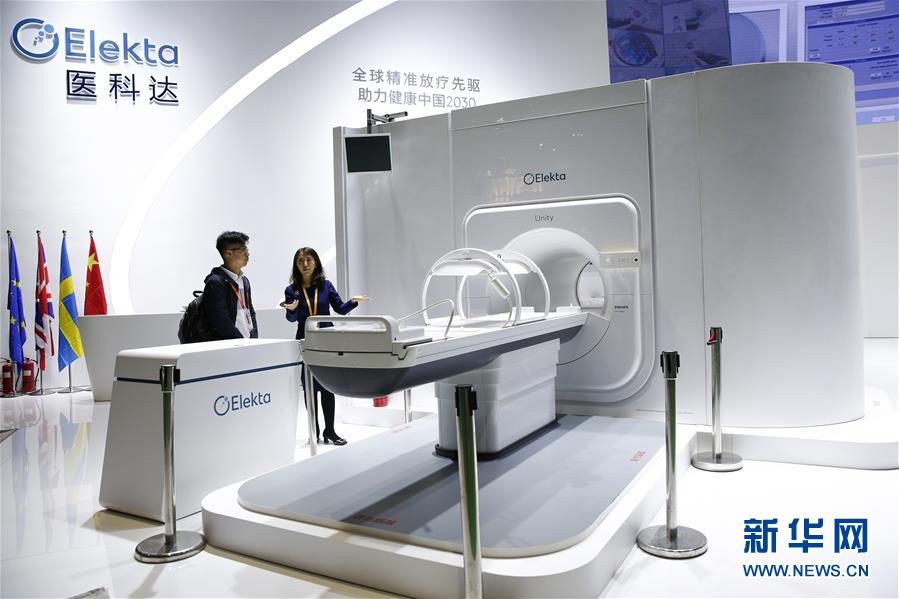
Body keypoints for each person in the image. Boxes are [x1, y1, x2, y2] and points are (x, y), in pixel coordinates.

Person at [282, 247, 368, 445]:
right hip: (305, 341)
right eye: (300, 261)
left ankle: (330, 431)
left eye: (309, 260)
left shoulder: (326, 286)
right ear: (296, 265)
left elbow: (340, 309)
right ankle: (314, 430)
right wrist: (292, 310)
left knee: (328, 386)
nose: (305, 264)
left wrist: (353, 301)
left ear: (316, 263)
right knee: (309, 387)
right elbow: (291, 318)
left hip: (327, 342)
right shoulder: (291, 290)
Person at [200, 231, 258, 340]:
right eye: (243, 249)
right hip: (230, 345)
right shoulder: (215, 283)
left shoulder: (244, 281)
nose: (247, 253)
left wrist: (253, 339)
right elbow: (220, 320)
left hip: (247, 343)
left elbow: (251, 313)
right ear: (229, 253)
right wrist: (239, 341)